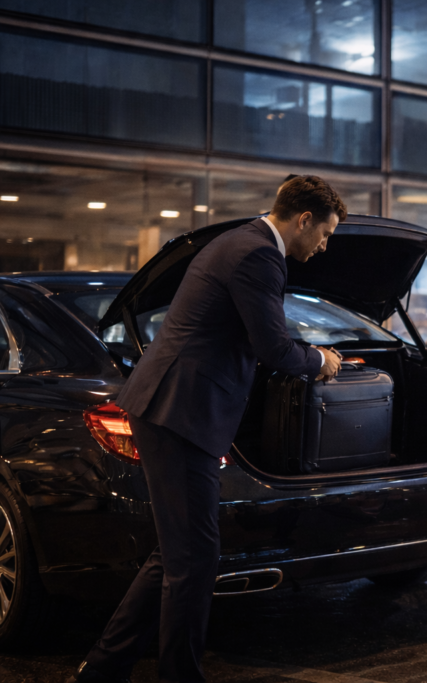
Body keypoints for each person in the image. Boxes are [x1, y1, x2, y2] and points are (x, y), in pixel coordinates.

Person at [68, 175, 347, 683]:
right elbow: (273, 347)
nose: (324, 246)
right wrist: (320, 360)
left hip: (174, 406)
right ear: (304, 220)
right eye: (325, 233)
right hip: (180, 411)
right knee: (195, 557)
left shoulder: (240, 241)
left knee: (177, 553)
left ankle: (102, 670)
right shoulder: (259, 254)